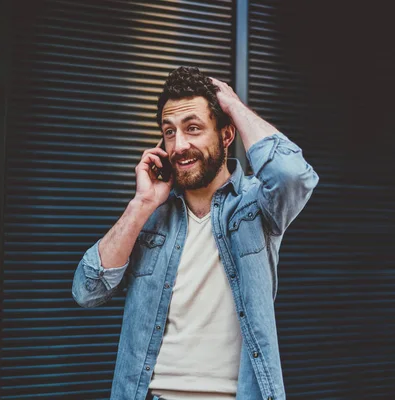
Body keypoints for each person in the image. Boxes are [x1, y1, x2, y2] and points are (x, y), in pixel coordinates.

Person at [72, 66, 319, 400]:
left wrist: (232, 104)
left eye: (193, 128)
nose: (179, 145)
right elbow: (88, 290)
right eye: (169, 131)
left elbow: (294, 176)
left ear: (226, 135)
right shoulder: (151, 216)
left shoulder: (258, 206)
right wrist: (141, 204)